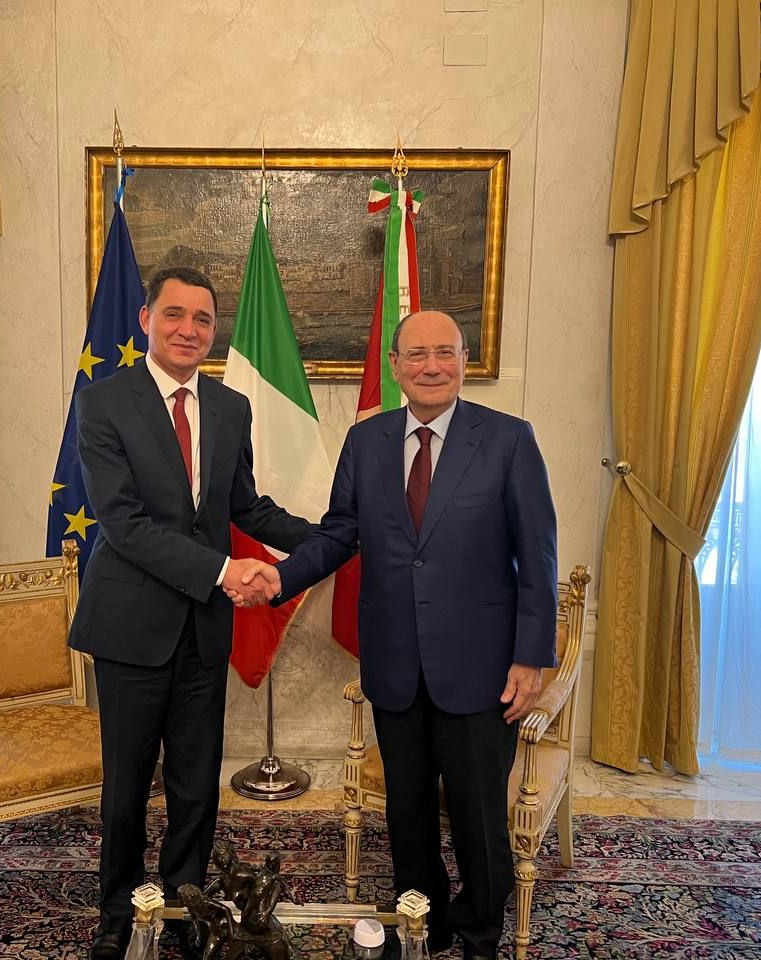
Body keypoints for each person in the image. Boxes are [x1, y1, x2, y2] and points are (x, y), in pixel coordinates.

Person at [237, 311, 558, 960]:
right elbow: (338, 535)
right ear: (394, 364)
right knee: (406, 814)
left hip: (479, 668)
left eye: (445, 353)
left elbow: (538, 555)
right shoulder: (367, 441)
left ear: (463, 361)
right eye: (416, 354)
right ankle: (423, 927)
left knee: (477, 817)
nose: (431, 366)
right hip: (394, 664)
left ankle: (479, 933)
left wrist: (531, 657)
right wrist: (279, 577)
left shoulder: (508, 440)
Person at [68, 266, 313, 960]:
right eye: (174, 314)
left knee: (196, 784)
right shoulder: (103, 402)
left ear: (214, 331)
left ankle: (185, 904)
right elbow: (124, 524)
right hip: (130, 628)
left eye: (202, 319)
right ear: (146, 320)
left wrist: (331, 539)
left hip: (203, 629)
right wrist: (223, 571)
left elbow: (245, 507)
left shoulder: (231, 407)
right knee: (126, 787)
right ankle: (119, 912)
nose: (189, 329)